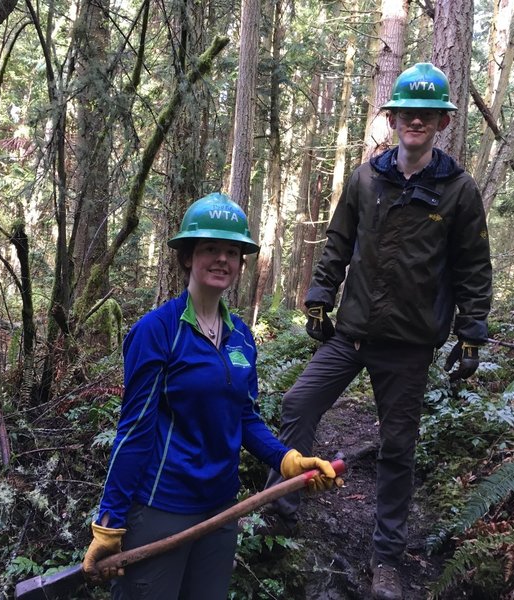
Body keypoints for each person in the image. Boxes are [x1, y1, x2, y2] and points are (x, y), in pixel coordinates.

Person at [258, 63, 493, 600]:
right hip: (353, 333)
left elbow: (473, 268)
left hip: (410, 347)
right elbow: (338, 243)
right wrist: (319, 297)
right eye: (406, 111)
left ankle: (386, 559)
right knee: (297, 405)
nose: (415, 120)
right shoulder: (366, 179)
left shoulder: (458, 190)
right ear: (392, 118)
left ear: (440, 122)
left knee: (398, 448)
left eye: (426, 113)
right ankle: (282, 510)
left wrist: (471, 333)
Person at [81, 192, 343, 600]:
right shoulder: (157, 332)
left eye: (232, 251)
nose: (222, 259)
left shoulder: (240, 336)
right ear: (188, 256)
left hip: (222, 510)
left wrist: (288, 460)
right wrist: (110, 522)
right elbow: (133, 431)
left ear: (241, 263)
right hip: (161, 509)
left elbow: (246, 418)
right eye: (210, 248)